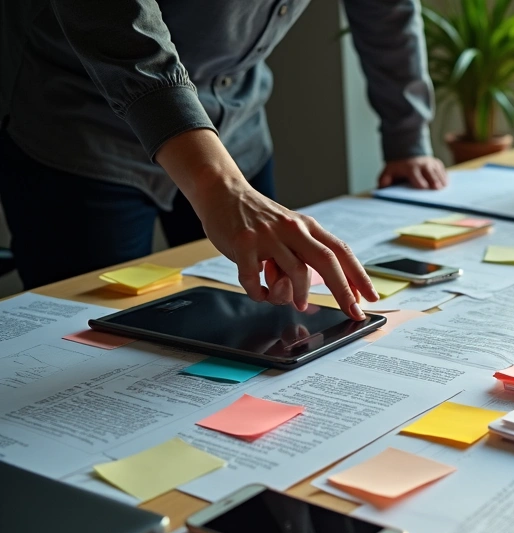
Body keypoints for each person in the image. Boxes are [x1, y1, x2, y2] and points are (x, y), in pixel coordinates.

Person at [0, 0, 448, 320]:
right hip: (82, 129)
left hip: (236, 126)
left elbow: (386, 11)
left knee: (266, 318)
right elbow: (117, 18)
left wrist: (407, 138)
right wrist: (221, 186)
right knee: (91, 342)